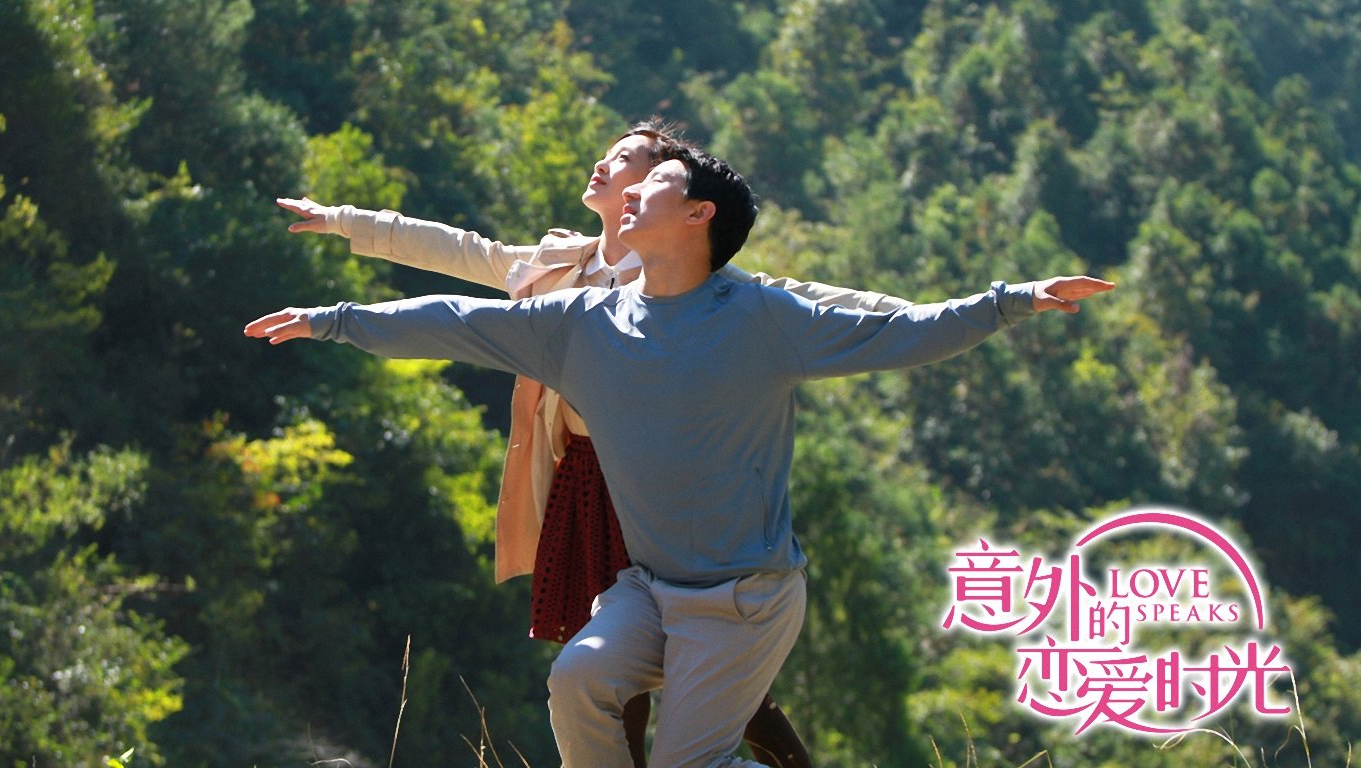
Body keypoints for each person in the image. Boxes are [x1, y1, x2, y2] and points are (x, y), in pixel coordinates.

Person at [247, 144, 1114, 767]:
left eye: (653, 183)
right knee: (579, 683)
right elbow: (457, 320)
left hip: (744, 598)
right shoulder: (582, 320)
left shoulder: (765, 317)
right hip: (648, 587)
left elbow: (907, 332)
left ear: (698, 215)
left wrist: (1014, 300)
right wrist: (333, 320)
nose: (628, 193)